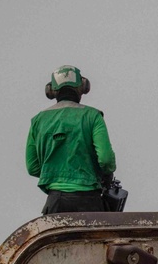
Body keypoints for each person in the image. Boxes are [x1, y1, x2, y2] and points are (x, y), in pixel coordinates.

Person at [26, 65, 117, 214]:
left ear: (51, 91)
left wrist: (55, 172)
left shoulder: (37, 121)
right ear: (83, 87)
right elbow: (106, 160)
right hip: (91, 201)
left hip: (55, 201)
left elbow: (32, 167)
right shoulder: (93, 116)